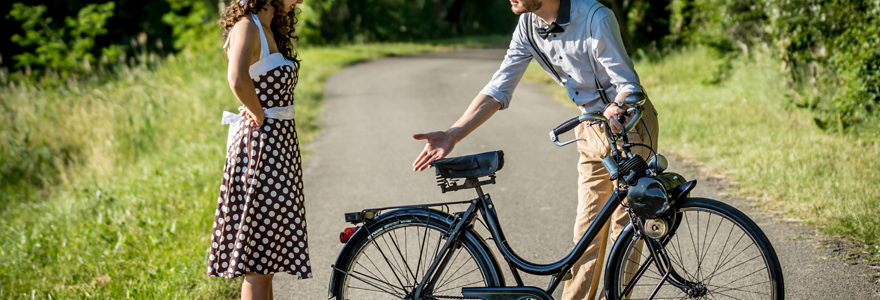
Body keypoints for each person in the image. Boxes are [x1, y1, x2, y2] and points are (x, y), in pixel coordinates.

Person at [411, 0, 658, 299]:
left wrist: (617, 107)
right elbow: (499, 87)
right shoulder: (528, 26)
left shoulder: (595, 17)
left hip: (628, 128)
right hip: (589, 129)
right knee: (586, 235)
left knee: (625, 232)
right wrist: (454, 133)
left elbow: (628, 85)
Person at [208, 0, 310, 299]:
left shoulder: (268, 28)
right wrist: (260, 114)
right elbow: (237, 78)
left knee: (267, 264)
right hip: (260, 150)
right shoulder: (247, 27)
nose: (301, 1)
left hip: (278, 149)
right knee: (258, 263)